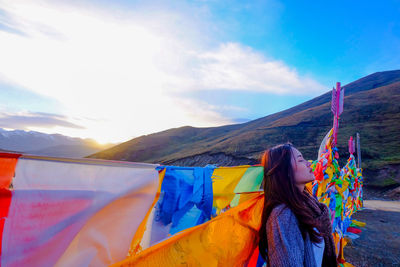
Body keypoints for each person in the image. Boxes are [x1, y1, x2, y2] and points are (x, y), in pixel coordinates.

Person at [258, 143, 337, 267]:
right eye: (300, 160)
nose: (309, 163)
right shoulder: (283, 215)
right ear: (285, 171)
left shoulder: (308, 204)